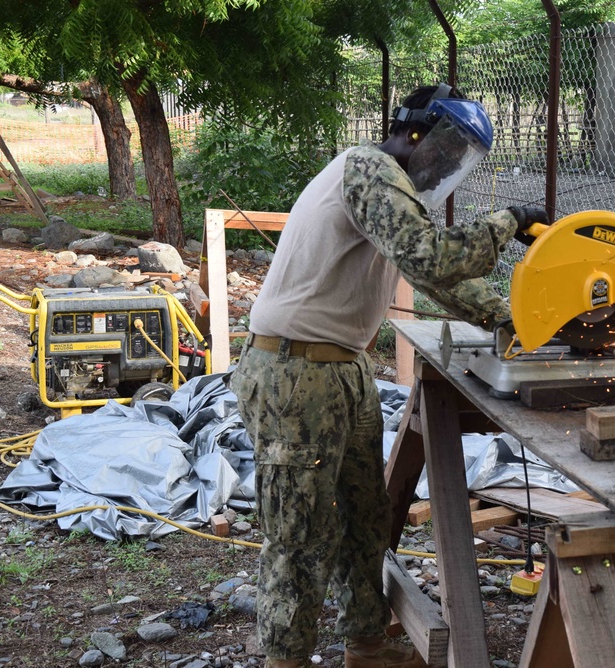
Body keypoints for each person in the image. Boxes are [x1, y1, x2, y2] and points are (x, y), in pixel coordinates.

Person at [229, 83, 548, 668]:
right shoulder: (369, 168)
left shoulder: (391, 193)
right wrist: (510, 221)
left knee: (364, 518)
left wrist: (515, 318)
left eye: (460, 162)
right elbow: (431, 257)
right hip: (293, 373)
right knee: (300, 536)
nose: (448, 167)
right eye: (446, 153)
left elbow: (435, 278)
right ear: (413, 131)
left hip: (340, 370)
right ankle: (284, 660)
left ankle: (365, 646)